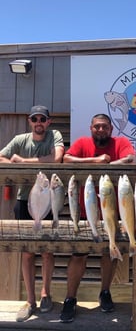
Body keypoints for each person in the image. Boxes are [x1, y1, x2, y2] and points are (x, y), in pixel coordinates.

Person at [60, 113, 135, 323]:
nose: (100, 130)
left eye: (104, 127)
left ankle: (105, 292)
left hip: (112, 215)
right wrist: (96, 161)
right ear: (91, 128)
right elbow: (66, 158)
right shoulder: (82, 143)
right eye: (97, 127)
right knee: (78, 257)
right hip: (84, 215)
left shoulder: (120, 142)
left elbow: (130, 158)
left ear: (111, 129)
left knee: (109, 255)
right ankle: (70, 298)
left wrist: (107, 167)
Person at [0, 105, 64, 322]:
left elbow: (57, 159)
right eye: (34, 118)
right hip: (24, 201)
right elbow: (1, 157)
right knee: (27, 252)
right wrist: (15, 165)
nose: (38, 122)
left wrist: (22, 161)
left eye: (42, 119)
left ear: (48, 122)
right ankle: (30, 299)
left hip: (48, 202)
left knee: (47, 251)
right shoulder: (20, 139)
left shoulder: (54, 135)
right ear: (29, 121)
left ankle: (46, 293)